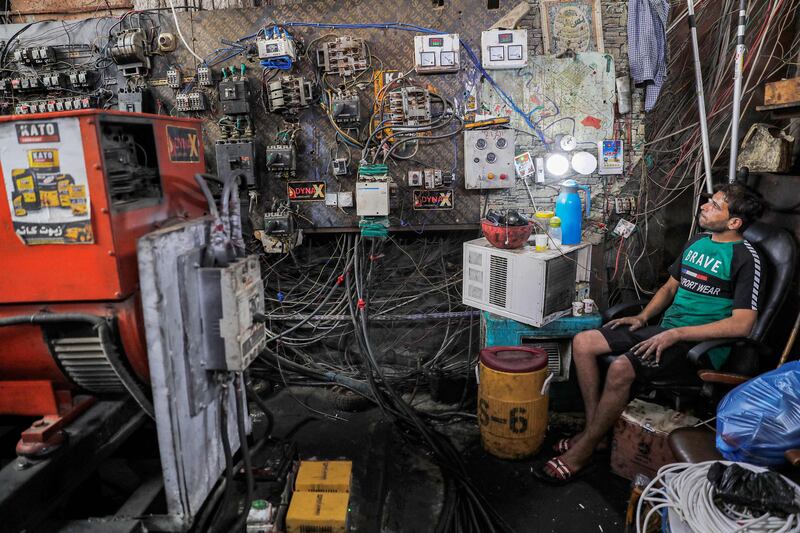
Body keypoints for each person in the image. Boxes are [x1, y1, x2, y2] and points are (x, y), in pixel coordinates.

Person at [538, 183, 766, 484]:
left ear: (734, 222)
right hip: (666, 330)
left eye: (715, 205)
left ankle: (583, 449)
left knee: (621, 367)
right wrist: (643, 316)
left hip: (700, 347)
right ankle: (596, 434)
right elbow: (671, 286)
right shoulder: (697, 242)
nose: (704, 206)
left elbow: (743, 324)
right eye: (708, 201)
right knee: (584, 342)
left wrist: (678, 334)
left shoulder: (745, 258)